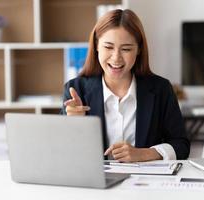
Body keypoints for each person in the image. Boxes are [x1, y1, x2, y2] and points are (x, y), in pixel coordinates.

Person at [61, 9, 190, 162]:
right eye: (108, 47)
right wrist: (75, 124)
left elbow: (181, 145)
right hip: (97, 182)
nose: (116, 58)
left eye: (126, 49)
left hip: (145, 181)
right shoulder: (76, 90)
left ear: (138, 50)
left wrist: (143, 154)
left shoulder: (161, 88)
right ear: (96, 45)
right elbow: (64, 153)